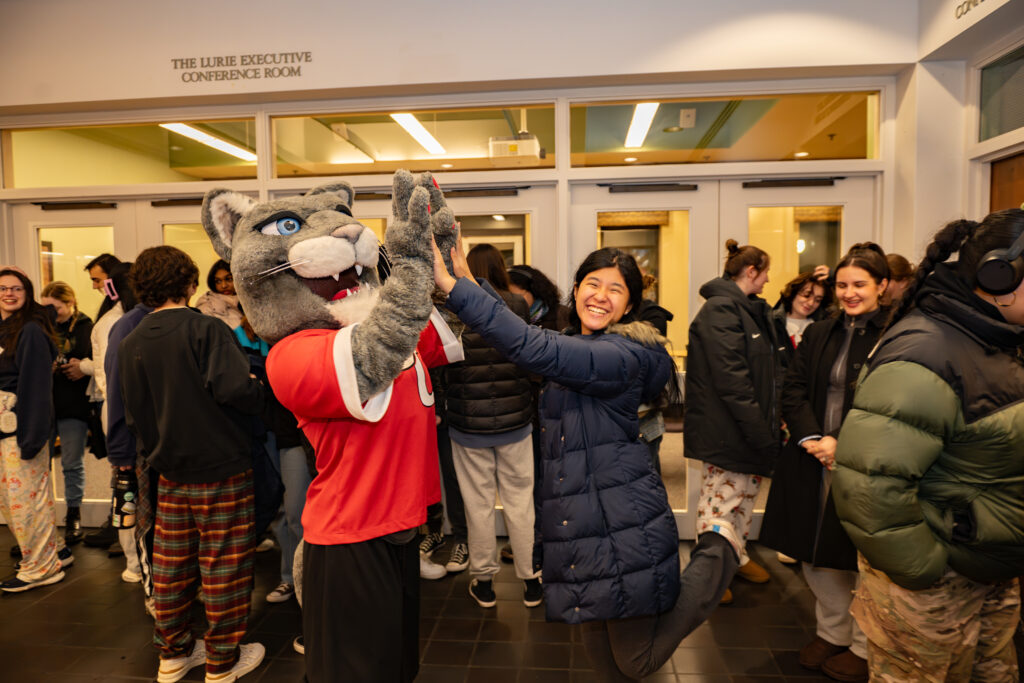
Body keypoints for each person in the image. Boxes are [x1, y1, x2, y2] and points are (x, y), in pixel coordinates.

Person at [434, 242, 738, 681]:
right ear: (575, 290)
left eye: (615, 290)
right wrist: (471, 283)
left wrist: (456, 289)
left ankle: (717, 555)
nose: (600, 295)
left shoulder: (619, 355)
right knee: (602, 660)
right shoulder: (582, 343)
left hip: (621, 520)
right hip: (582, 520)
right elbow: (532, 335)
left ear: (630, 304)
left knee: (635, 659)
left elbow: (529, 345)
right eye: (592, 283)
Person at [833, 209, 1024, 682]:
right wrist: (925, 572)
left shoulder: (996, 341)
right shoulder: (928, 353)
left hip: (987, 569)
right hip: (939, 585)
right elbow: (871, 488)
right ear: (1000, 276)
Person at [119, 246, 265, 683]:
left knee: (171, 566)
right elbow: (237, 391)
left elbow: (134, 416)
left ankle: (174, 654)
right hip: (221, 466)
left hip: (168, 469)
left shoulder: (130, 342)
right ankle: (221, 662)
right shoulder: (206, 329)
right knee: (223, 565)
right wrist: (256, 385)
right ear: (188, 282)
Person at [760, 244, 891, 683]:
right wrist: (813, 438)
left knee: (858, 556)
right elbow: (792, 388)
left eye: (860, 284)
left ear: (882, 286)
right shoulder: (821, 331)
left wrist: (843, 444)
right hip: (811, 457)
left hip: (865, 463)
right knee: (814, 551)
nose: (849, 293)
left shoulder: (895, 335)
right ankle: (831, 631)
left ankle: (861, 643)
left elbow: (892, 404)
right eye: (842, 285)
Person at [685, 239, 781, 603]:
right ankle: (709, 575)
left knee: (742, 501)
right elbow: (732, 381)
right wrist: (759, 430)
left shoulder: (748, 310)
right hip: (728, 430)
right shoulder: (721, 311)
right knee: (719, 504)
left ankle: (736, 558)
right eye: (765, 271)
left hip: (747, 427)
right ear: (751, 271)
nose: (768, 280)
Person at [444, 244, 540, 607]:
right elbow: (529, 358)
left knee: (477, 505)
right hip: (516, 422)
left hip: (468, 426)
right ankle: (531, 581)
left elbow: (443, 366)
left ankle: (484, 583)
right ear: (500, 268)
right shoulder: (516, 305)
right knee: (520, 503)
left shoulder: (452, 308)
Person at [0, 267, 72, 592]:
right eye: (3, 289)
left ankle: (42, 569)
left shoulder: (29, 330)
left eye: (16, 289)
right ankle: (54, 551)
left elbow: (36, 387)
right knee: (15, 502)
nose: (9, 294)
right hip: (6, 431)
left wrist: (31, 438)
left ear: (27, 294)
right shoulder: (5, 328)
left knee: (26, 503)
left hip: (23, 430)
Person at [40, 281, 93, 546]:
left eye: (55, 308)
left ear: (69, 302)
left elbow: (90, 360)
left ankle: (74, 514)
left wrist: (79, 367)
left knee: (72, 464)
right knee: (40, 467)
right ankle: (42, 518)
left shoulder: (86, 326)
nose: (51, 313)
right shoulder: (39, 328)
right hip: (44, 406)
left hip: (73, 405)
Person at [771, 266, 831, 369]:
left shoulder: (823, 326)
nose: (811, 303)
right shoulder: (772, 322)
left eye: (817, 300)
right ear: (794, 292)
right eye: (806, 295)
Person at [194, 259, 243, 330]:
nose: (224, 285)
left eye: (229, 279)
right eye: (218, 281)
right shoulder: (207, 304)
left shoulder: (249, 301)